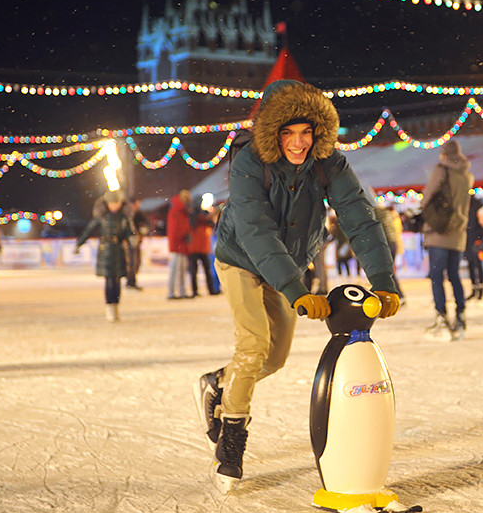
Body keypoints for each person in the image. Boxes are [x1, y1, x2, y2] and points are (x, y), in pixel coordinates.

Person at [194, 79, 400, 489]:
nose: (299, 142)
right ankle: (231, 443)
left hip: (289, 264)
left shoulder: (329, 163)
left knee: (274, 358)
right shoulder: (249, 162)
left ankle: (218, 384)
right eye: (288, 133)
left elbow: (359, 217)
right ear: (272, 133)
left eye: (306, 132)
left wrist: (383, 279)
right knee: (253, 347)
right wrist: (296, 288)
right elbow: (256, 230)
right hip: (242, 260)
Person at [421, 140, 474, 339]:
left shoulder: (441, 170)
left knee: (436, 276)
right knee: (454, 275)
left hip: (439, 231)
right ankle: (460, 316)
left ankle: (442, 317)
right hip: (458, 231)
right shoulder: (467, 175)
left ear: (443, 153)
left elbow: (427, 197)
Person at [74, 189, 133, 322]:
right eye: (112, 203)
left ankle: (116, 306)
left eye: (117, 203)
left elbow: (130, 232)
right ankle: (109, 307)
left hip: (118, 251)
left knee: (117, 281)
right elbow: (88, 230)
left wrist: (133, 238)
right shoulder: (101, 217)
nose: (115, 206)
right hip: (106, 250)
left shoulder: (124, 218)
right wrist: (79, 243)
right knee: (109, 281)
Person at [187, 202, 219, 297]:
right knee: (200, 270)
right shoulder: (196, 218)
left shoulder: (198, 218)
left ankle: (202, 290)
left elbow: (211, 224)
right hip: (198, 248)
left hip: (200, 247)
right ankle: (205, 290)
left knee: (200, 271)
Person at [166, 189, 191, 300]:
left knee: (181, 270)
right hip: (178, 245)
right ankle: (171, 292)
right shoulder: (177, 210)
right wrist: (183, 236)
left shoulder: (181, 211)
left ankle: (181, 291)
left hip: (181, 244)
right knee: (176, 269)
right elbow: (175, 229)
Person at [464, 193, 483, 302]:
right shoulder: (467, 205)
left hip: (474, 239)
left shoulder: (476, 205)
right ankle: (475, 288)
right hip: (469, 238)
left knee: (477, 263)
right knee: (472, 264)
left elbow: (480, 224)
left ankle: (480, 289)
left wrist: (480, 238)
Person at [125, 198, 149, 290]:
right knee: (132, 262)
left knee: (136, 262)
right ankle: (130, 282)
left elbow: (146, 222)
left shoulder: (138, 214)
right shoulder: (127, 214)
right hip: (130, 241)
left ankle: (132, 281)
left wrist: (142, 232)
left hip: (137, 241)